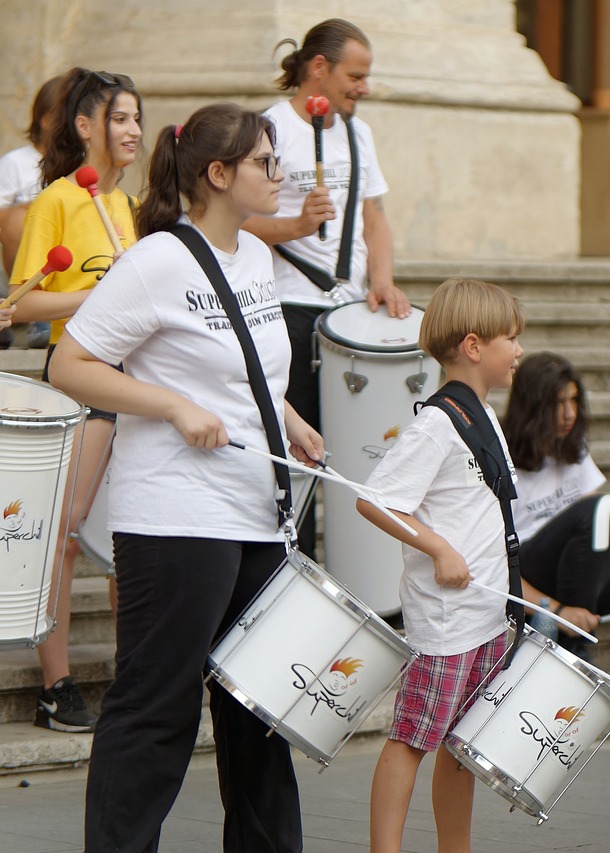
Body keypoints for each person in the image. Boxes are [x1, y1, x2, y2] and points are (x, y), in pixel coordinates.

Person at [48, 102, 323, 851]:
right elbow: (68, 363)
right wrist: (170, 405)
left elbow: (243, 369)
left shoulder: (258, 258)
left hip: (256, 515)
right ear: (219, 173)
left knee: (259, 713)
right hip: (175, 518)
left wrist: (288, 419)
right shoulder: (158, 261)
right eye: (266, 163)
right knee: (157, 708)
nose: (279, 176)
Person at [356, 277, 524, 853]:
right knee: (411, 739)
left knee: (461, 746)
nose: (519, 350)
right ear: (475, 346)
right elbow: (375, 501)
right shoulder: (437, 424)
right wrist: (439, 549)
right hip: (446, 623)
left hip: (483, 615)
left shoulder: (482, 417)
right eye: (511, 339)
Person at [8, 67, 143, 733]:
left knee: (133, 540)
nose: (133, 131)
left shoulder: (124, 208)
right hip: (82, 380)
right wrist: (98, 296)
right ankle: (56, 684)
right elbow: (21, 305)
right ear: (85, 127)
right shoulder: (59, 199)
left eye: (138, 120)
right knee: (63, 534)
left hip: (133, 384)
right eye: (120, 118)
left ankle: (135, 676)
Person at [244, 17, 411, 557]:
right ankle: (291, 562)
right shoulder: (267, 130)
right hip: (288, 304)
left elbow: (375, 217)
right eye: (355, 76)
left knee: (353, 448)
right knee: (298, 448)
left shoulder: (358, 132)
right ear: (319, 68)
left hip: (347, 311)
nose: (363, 88)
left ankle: (354, 565)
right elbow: (236, 222)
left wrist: (381, 279)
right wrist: (294, 226)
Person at [503, 351, 610, 653]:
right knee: (604, 513)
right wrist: (558, 611)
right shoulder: (502, 459)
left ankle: (573, 633)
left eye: (573, 401)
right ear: (532, 407)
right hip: (523, 581)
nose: (570, 414)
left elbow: (600, 529)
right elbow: (493, 568)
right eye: (558, 404)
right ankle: (574, 648)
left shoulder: (574, 447)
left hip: (572, 574)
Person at [0, 72, 64, 349]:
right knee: (18, 220)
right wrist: (37, 207)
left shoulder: (81, 163)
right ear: (47, 119)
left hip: (67, 254)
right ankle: (34, 311)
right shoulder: (16, 162)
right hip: (28, 251)